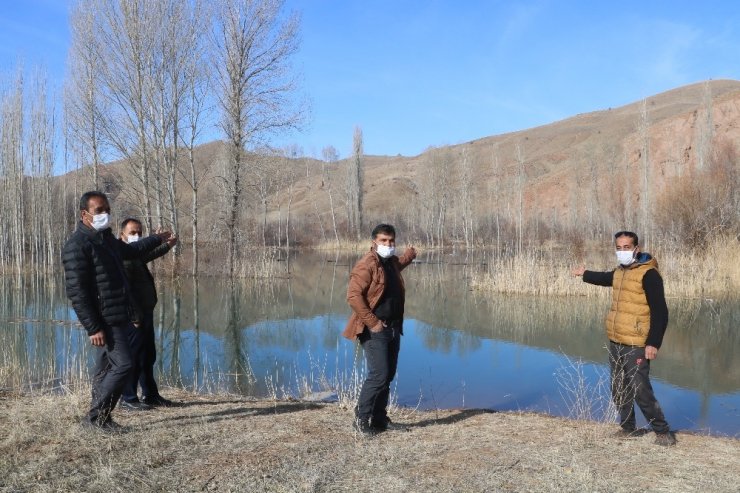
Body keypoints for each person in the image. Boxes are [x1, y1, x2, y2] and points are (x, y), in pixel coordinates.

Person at [62, 191, 172, 431]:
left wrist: (156, 239)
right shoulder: (77, 246)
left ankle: (99, 417)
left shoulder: (106, 240)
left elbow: (131, 251)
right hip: (104, 318)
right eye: (99, 210)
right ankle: (96, 418)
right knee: (123, 364)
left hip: (118, 312)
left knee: (104, 368)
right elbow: (77, 292)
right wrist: (93, 327)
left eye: (107, 210)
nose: (105, 215)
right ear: (85, 214)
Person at [571, 231, 676, 446]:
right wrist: (585, 274)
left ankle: (663, 432)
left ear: (636, 248)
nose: (622, 251)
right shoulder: (620, 272)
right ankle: (628, 428)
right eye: (619, 247)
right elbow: (604, 278)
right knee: (619, 388)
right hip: (616, 340)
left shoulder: (649, 275)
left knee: (640, 389)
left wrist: (653, 343)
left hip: (637, 343)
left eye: (627, 247)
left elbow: (660, 312)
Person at [343, 224, 416, 436]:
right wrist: (373, 323)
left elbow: (397, 266)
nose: (388, 244)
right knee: (378, 375)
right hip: (375, 328)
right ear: (374, 241)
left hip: (393, 327)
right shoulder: (366, 264)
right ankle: (361, 420)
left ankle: (379, 419)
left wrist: (409, 256)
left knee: (388, 375)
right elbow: (353, 296)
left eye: (391, 241)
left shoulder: (390, 262)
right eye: (383, 241)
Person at [118, 218, 178, 410]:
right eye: (132, 232)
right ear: (122, 235)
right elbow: (124, 292)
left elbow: (147, 256)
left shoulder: (133, 254)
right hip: (134, 317)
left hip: (145, 313)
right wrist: (134, 317)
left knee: (147, 355)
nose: (137, 236)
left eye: (139, 232)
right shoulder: (122, 255)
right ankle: (128, 398)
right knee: (133, 356)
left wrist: (167, 245)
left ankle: (150, 394)